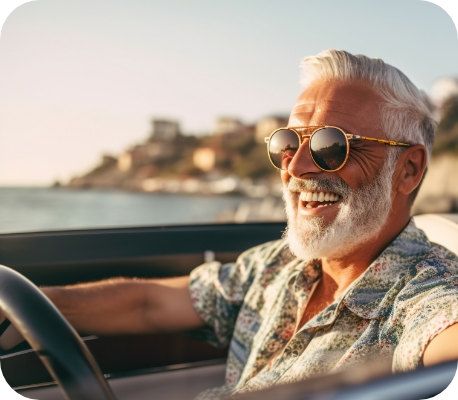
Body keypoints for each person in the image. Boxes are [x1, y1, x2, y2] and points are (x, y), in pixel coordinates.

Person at [1, 50, 458, 398]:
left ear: (410, 170)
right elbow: (150, 303)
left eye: (331, 146)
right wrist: (27, 307)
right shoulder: (274, 266)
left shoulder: (422, 297)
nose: (295, 167)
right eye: (286, 143)